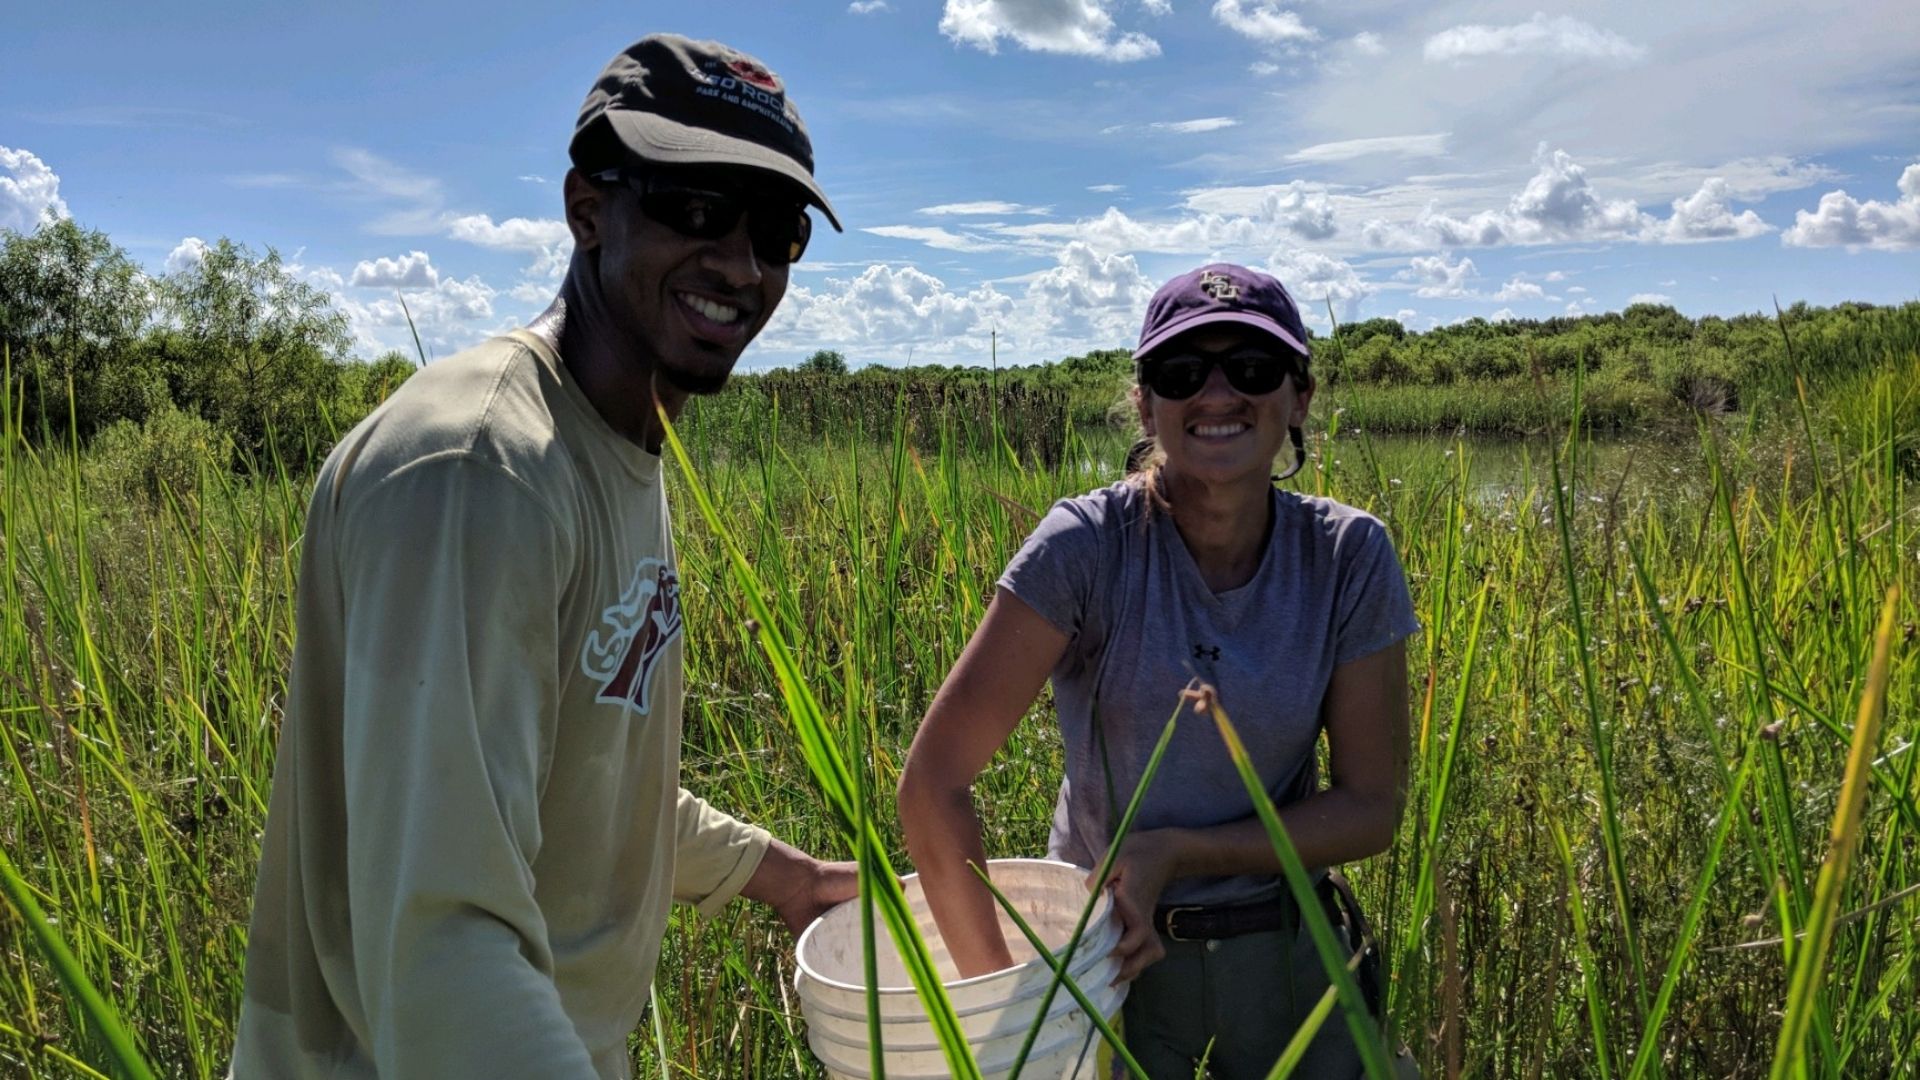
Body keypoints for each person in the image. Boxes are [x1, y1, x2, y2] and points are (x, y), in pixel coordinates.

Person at [230, 34, 858, 1079]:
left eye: (776, 230)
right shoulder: (479, 472)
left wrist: (775, 875)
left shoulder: (615, 443)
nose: (741, 264)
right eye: (693, 208)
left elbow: (578, 773)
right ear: (587, 208)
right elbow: (440, 948)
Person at [898, 264, 1419, 1078]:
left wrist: (1174, 850)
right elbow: (934, 782)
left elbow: (1371, 808)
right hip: (1114, 968)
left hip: (1290, 957)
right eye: (1182, 373)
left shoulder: (1348, 555)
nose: (1218, 395)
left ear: (1300, 396)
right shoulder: (1085, 547)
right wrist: (1010, 1008)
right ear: (1145, 403)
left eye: (1252, 368)